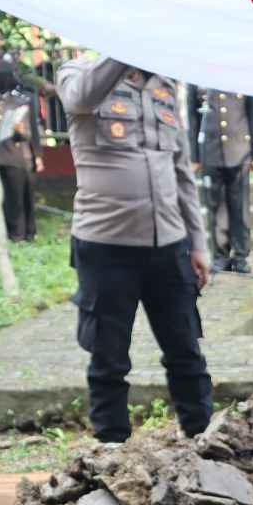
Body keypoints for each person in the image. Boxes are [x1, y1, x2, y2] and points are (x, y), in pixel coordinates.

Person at [57, 53, 212, 444]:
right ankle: (112, 449)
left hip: (169, 244)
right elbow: (80, 100)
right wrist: (119, 47)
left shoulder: (164, 83)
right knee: (109, 359)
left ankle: (204, 440)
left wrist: (198, 243)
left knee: (186, 352)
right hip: (106, 245)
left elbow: (181, 171)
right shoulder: (79, 72)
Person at [189, 88, 253, 275]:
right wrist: (194, 155)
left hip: (239, 148)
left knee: (239, 206)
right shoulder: (197, 75)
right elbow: (192, 116)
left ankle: (240, 255)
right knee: (214, 205)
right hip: (211, 149)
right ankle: (220, 255)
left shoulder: (241, 74)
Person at [0, 62, 42, 243]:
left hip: (16, 155)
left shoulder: (21, 100)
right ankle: (3, 234)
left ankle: (22, 234)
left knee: (19, 198)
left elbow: (32, 131)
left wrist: (37, 155)